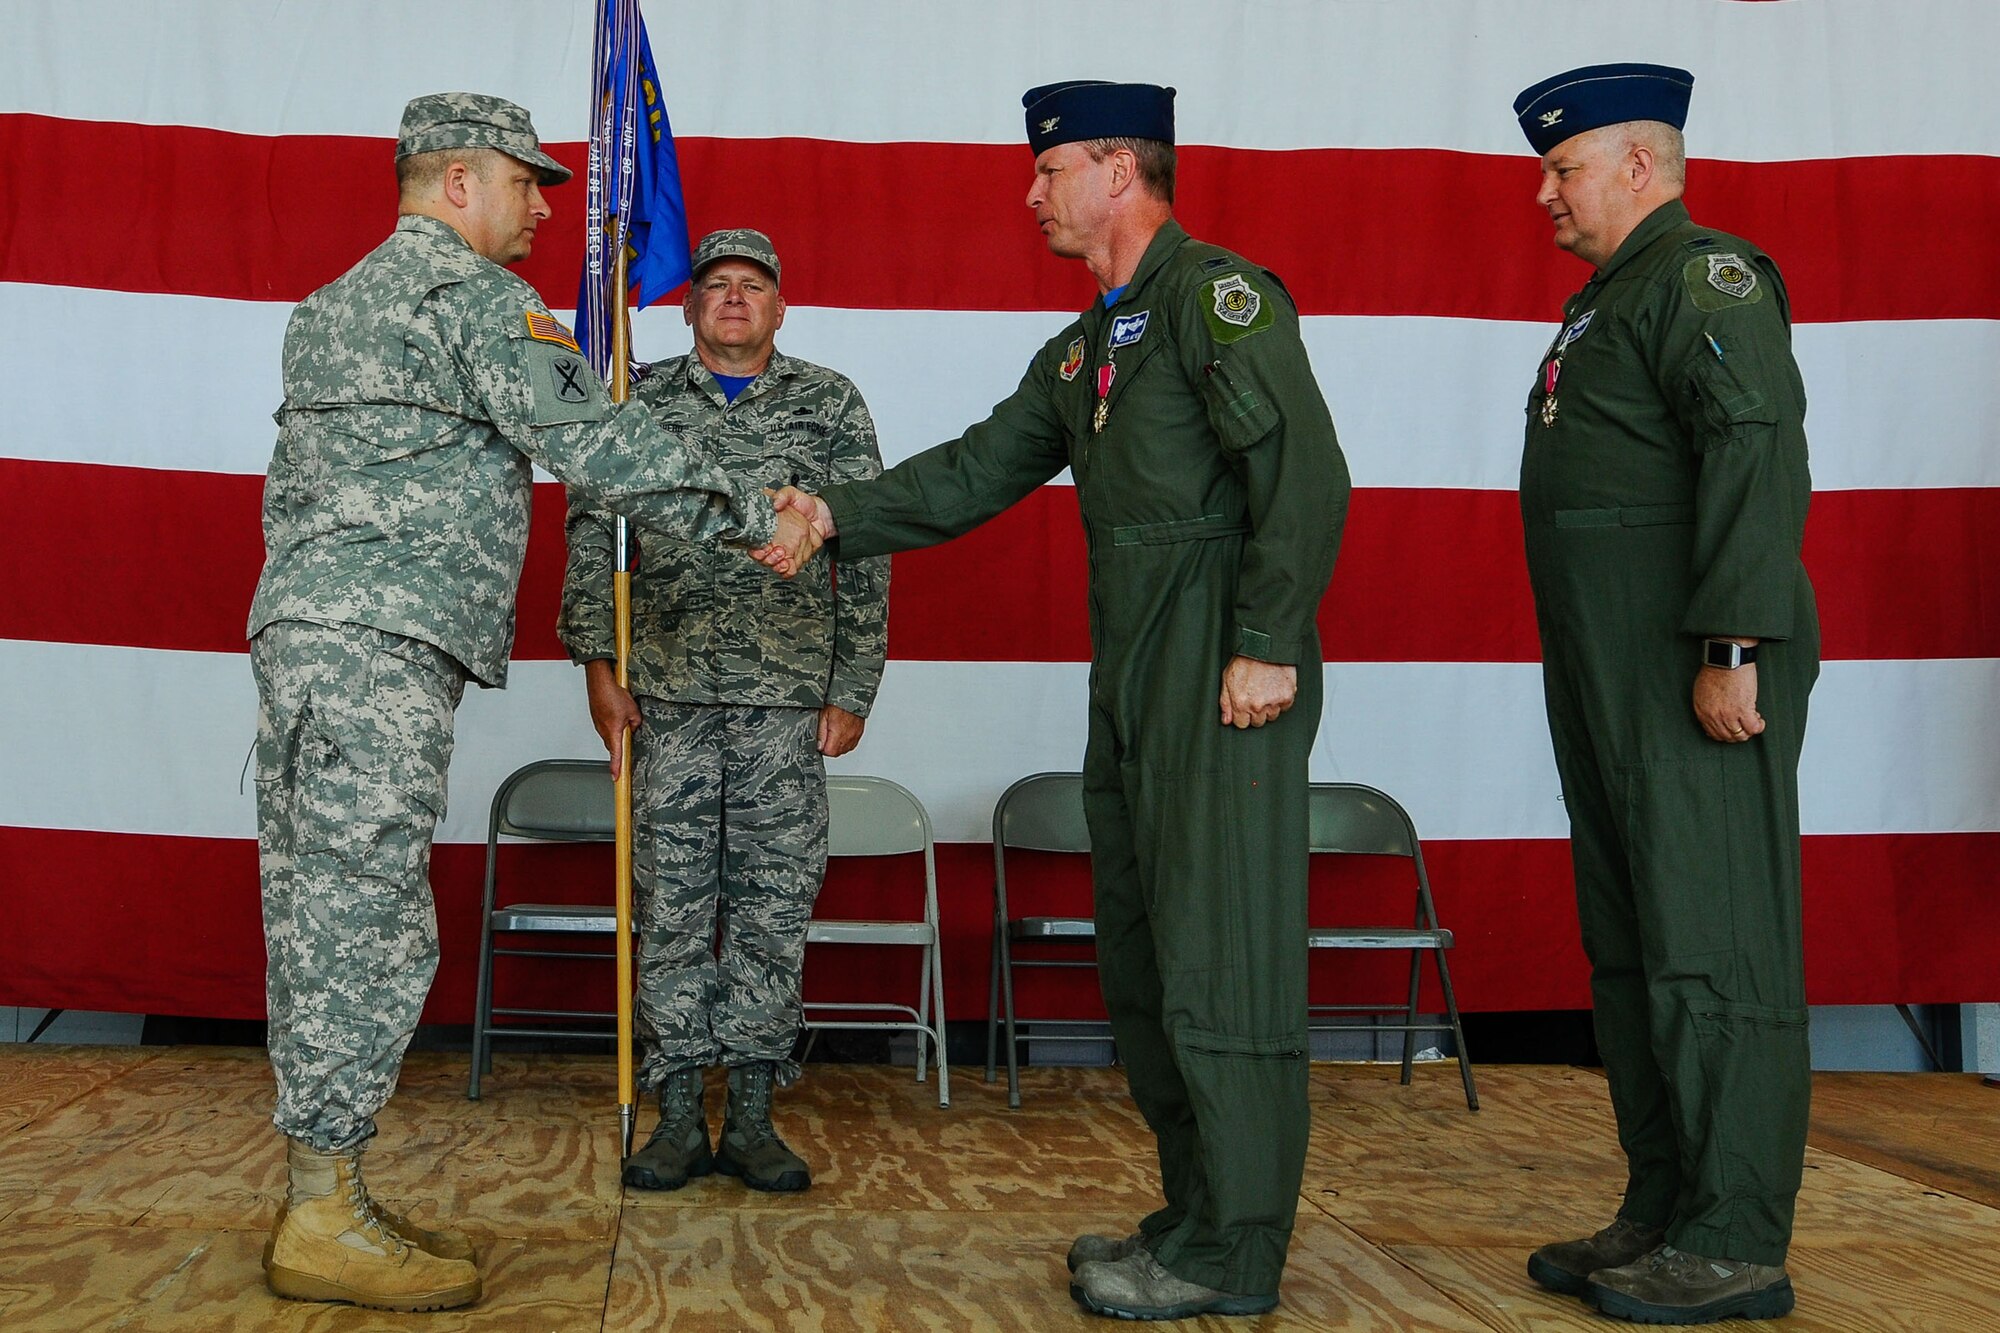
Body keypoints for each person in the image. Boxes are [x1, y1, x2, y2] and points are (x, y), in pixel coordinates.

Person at [776, 81, 1348, 1321]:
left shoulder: (1215, 299)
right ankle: (1194, 1209)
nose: (1030, 193)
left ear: (1115, 170)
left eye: (1048, 171)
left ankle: (1232, 1249)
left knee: (1221, 960)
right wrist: (832, 514)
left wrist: (1264, 641)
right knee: (1147, 953)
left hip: (1216, 663)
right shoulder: (1090, 344)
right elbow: (983, 463)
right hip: (1134, 666)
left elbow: (1302, 475)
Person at [247, 93, 818, 1313]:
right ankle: (317, 1215)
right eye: (526, 182)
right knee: (361, 923)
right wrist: (755, 511)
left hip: (327, 640)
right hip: (372, 647)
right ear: (458, 183)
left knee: (324, 906)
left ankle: (327, 1187)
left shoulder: (338, 299)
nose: (546, 205)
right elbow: (599, 440)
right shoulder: (465, 298)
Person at [1510, 64, 1818, 1324]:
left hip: (1689, 660)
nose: (1542, 192)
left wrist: (1732, 646)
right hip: (1608, 661)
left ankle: (1734, 1234)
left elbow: (1750, 453)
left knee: (1714, 943)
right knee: (1633, 948)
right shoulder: (1607, 300)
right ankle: (1664, 1205)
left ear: (1639, 163)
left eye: (1561, 167)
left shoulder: (1706, 276)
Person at [559, 228, 889, 1196]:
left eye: (753, 286)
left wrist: (853, 683)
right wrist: (595, 664)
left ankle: (749, 1111)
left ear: (780, 307)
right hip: (664, 692)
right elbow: (593, 528)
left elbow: (863, 541)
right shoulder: (639, 400)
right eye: (715, 286)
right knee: (669, 904)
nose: (734, 298)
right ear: (688, 306)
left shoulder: (827, 403)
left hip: (786, 699)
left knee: (770, 905)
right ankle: (673, 1114)